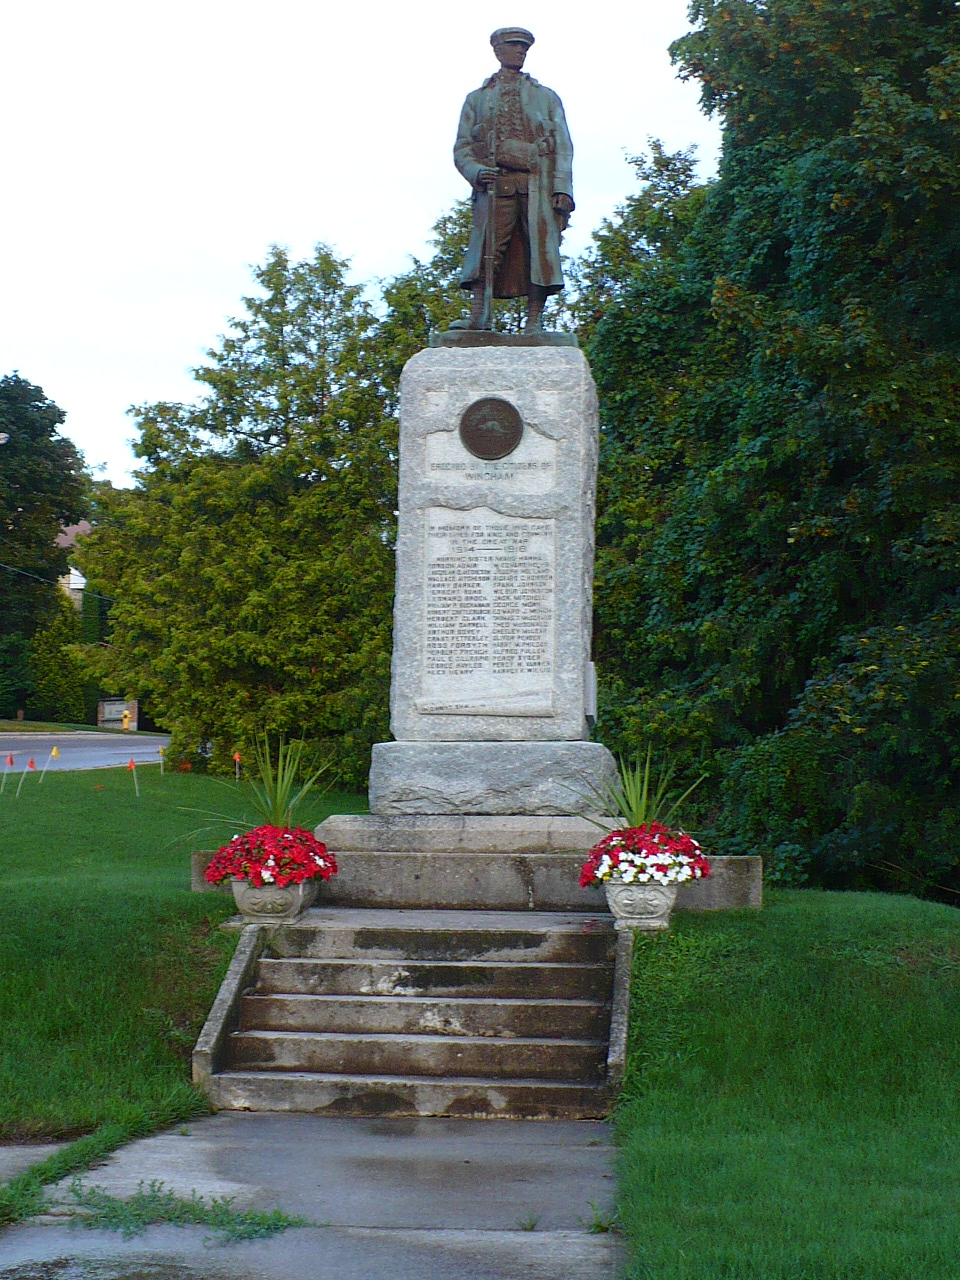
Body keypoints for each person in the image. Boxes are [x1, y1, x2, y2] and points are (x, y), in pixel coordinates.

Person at [452, 28, 574, 333]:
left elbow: (563, 145)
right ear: (498, 52)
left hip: (537, 187)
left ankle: (535, 321)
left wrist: (562, 188)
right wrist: (477, 172)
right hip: (496, 188)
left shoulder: (545, 97)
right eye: (513, 47)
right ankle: (479, 317)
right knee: (486, 252)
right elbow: (462, 147)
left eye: (523, 48)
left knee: (540, 254)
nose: (520, 52)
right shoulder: (477, 100)